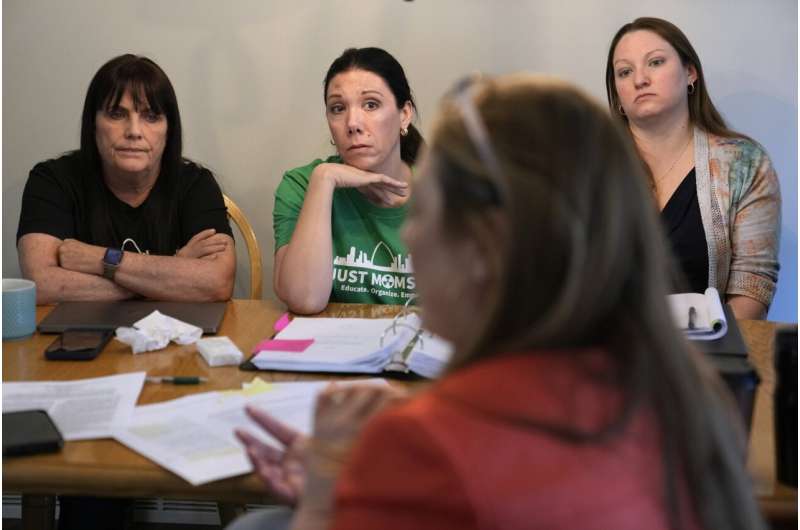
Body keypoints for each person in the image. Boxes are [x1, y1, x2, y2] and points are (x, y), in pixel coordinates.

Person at [229, 75, 766, 530]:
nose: (410, 237)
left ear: (483, 248)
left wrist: (325, 498)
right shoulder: (684, 399)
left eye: (426, 211)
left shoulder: (418, 448)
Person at [17, 54, 235, 305]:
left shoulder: (196, 184)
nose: (134, 131)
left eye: (151, 116)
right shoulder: (53, 181)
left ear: (169, 130)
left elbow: (217, 283)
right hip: (76, 338)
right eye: (116, 114)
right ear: (93, 124)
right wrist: (172, 273)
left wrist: (100, 259)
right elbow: (42, 285)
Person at [605, 17, 781, 319]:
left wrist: (700, 354)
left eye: (655, 62)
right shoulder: (592, 165)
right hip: (605, 356)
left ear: (690, 73)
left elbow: (753, 286)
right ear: (618, 94)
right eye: (625, 71)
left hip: (709, 356)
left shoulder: (745, 163)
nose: (640, 79)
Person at [272, 47, 424, 314]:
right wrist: (325, 179)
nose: (352, 123)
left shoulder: (448, 191)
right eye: (338, 108)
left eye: (371, 105)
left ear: (404, 114)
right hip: (332, 351)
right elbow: (304, 299)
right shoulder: (302, 184)